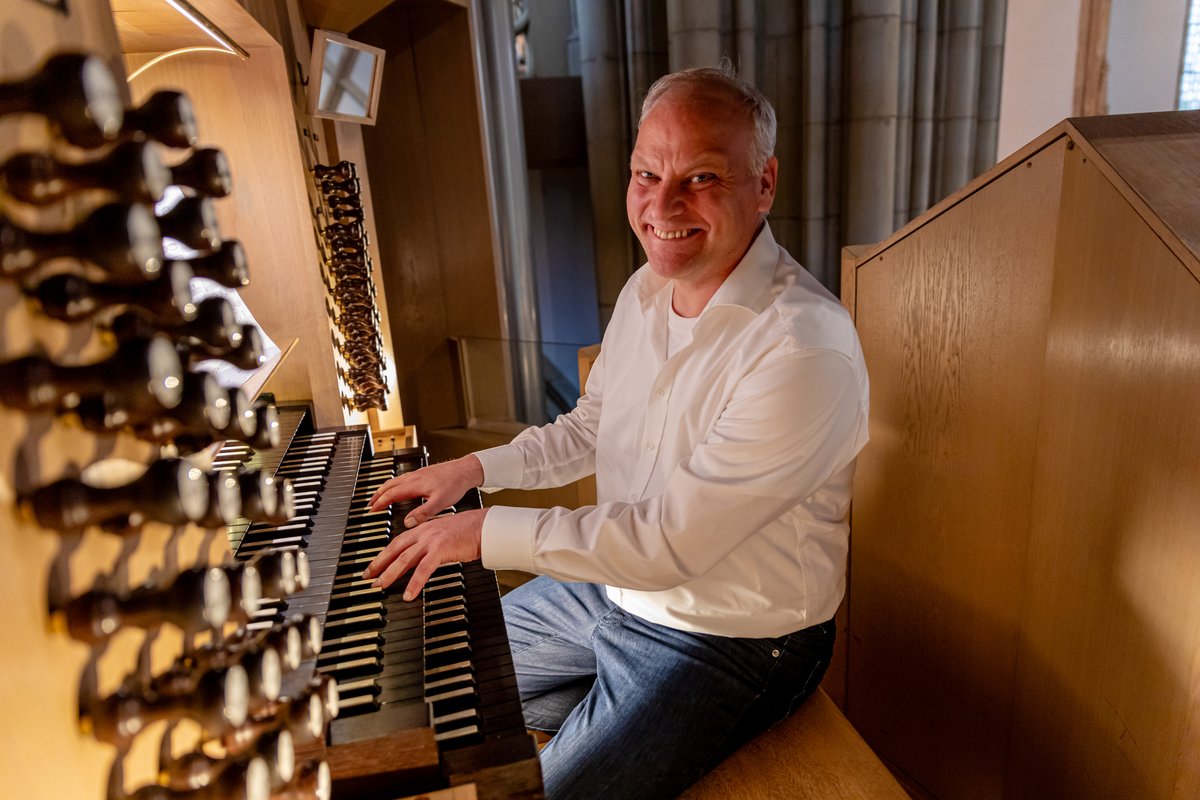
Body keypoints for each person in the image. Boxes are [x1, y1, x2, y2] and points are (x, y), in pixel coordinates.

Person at [363, 65, 870, 799]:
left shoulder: (804, 347)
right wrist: (474, 471)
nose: (662, 205)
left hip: (734, 635)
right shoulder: (645, 290)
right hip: (611, 588)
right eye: (646, 174)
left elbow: (668, 544)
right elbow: (591, 426)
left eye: (701, 177)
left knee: (536, 792)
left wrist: (481, 533)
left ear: (764, 183)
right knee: (423, 687)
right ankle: (618, 719)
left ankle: (642, 726)